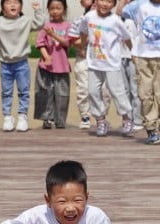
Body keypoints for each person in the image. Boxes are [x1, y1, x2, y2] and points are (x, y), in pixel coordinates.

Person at [118, 0, 160, 144]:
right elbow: (120, 12)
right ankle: (151, 129)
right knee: (145, 94)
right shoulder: (139, 5)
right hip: (143, 56)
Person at [0, 0, 46, 132]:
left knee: (24, 91)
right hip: (5, 64)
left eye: (16, 2)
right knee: (6, 92)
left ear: (21, 6)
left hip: (22, 62)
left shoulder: (25, 21)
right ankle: (7, 117)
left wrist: (37, 10)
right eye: (9, 3)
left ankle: (22, 116)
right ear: (2, 7)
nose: (12, 5)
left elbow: (40, 23)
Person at [80, 0, 133, 137]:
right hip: (94, 62)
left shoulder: (116, 20)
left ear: (114, 4)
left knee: (117, 92)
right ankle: (100, 120)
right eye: (102, 0)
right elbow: (83, 31)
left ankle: (126, 118)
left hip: (112, 63)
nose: (105, 4)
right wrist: (82, 46)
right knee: (92, 91)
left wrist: (133, 52)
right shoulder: (89, 16)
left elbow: (127, 38)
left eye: (109, 1)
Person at [33, 0, 71, 129]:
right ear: (48, 10)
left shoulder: (67, 25)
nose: (55, 11)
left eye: (58, 8)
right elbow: (40, 43)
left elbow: (66, 43)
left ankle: (60, 120)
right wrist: (46, 57)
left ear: (64, 10)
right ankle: (46, 118)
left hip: (62, 66)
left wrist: (53, 34)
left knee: (62, 94)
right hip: (46, 67)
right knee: (45, 92)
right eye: (52, 8)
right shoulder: (46, 25)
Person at [68, 0, 94, 130]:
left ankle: (101, 117)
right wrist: (90, 36)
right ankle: (85, 116)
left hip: (103, 61)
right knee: (83, 89)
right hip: (83, 59)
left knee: (104, 91)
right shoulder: (79, 20)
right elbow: (75, 42)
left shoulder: (110, 20)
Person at [121, 11, 144, 132]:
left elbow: (133, 39)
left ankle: (138, 120)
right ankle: (127, 119)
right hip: (119, 58)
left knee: (135, 90)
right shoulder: (116, 19)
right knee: (124, 90)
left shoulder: (130, 21)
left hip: (132, 57)